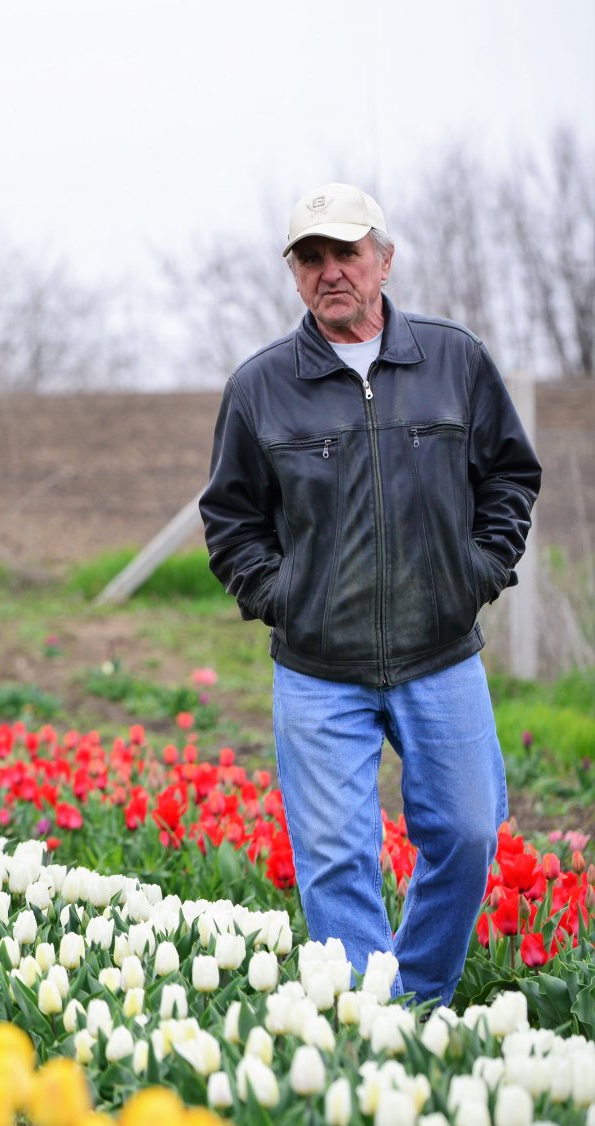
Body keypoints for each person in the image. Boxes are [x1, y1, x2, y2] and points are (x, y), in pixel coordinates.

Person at [200, 183, 542, 1004]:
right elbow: (232, 520)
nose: (330, 272)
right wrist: (286, 597)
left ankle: (415, 998)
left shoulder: (453, 360)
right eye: (310, 258)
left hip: (440, 651)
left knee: (465, 835)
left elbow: (510, 476)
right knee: (334, 856)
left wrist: (478, 572)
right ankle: (366, 1019)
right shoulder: (260, 388)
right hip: (319, 666)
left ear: (384, 260)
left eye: (346, 253)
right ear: (293, 275)